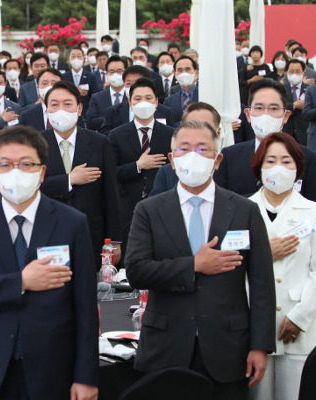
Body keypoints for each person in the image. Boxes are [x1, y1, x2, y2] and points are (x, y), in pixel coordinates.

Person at [126, 120, 276, 400]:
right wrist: (193, 265)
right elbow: (136, 270)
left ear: (218, 160)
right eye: (183, 149)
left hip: (229, 349)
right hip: (166, 348)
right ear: (171, 160)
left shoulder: (244, 210)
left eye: (202, 149)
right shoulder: (149, 210)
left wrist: (260, 346)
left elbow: (262, 285)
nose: (192, 156)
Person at [0, 125, 99, 400]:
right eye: (5, 164)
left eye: (26, 164)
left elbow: (86, 306)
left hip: (53, 368)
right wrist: (21, 282)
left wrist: (86, 375)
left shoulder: (71, 223)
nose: (15, 172)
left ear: (42, 172)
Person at [247, 132, 316, 400]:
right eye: (270, 160)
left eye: (286, 162)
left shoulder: (312, 211)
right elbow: (232, 265)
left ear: (298, 167)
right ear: (259, 167)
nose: (278, 168)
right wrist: (263, 255)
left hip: (301, 327)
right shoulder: (241, 210)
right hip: (254, 332)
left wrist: (300, 316)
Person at [40, 81, 121, 266]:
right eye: (54, 104)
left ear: (79, 109)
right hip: (48, 233)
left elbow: (111, 193)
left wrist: (114, 241)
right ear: (47, 110)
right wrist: (69, 180)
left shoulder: (100, 142)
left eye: (67, 104)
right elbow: (31, 186)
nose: (61, 110)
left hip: (90, 234)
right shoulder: (34, 143)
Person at [214, 78, 316, 202]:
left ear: (286, 116)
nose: (266, 115)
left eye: (273, 108)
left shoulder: (307, 158)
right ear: (248, 114)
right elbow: (221, 203)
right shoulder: (229, 157)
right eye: (259, 108)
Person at [108, 77, 174, 225]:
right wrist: (138, 165)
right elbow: (111, 172)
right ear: (130, 103)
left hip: (163, 203)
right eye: (138, 98)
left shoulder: (171, 134)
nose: (143, 102)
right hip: (127, 206)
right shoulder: (116, 135)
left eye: (148, 98)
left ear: (156, 102)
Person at [150, 102, 221, 196]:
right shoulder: (167, 173)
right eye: (191, 126)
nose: (198, 133)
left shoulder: (231, 169)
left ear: (218, 133)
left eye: (206, 127)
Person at [100, 66, 176, 134]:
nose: (133, 87)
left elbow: (172, 137)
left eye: (138, 83)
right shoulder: (113, 111)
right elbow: (106, 135)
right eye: (128, 83)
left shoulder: (165, 112)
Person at [86, 55, 127, 131]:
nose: (116, 74)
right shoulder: (97, 98)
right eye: (112, 71)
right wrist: (112, 117)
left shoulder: (132, 96)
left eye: (119, 71)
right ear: (107, 74)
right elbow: (90, 122)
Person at [63, 47, 99, 122]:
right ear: (69, 59)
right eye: (73, 56)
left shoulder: (91, 76)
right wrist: (76, 92)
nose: (76, 59)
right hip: (67, 113)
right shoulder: (64, 77)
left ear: (83, 59)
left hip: (86, 114)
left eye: (79, 56)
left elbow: (94, 96)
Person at [164, 55, 199, 124]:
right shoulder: (169, 101)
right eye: (180, 70)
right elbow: (168, 125)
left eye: (187, 69)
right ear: (175, 75)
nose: (184, 73)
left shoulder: (204, 96)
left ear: (196, 73)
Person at [283, 59, 309, 145]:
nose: (294, 74)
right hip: (286, 131)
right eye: (291, 71)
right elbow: (278, 107)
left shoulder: (309, 89)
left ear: (303, 74)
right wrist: (293, 105)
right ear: (287, 73)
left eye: (298, 71)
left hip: (304, 132)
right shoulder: (280, 89)